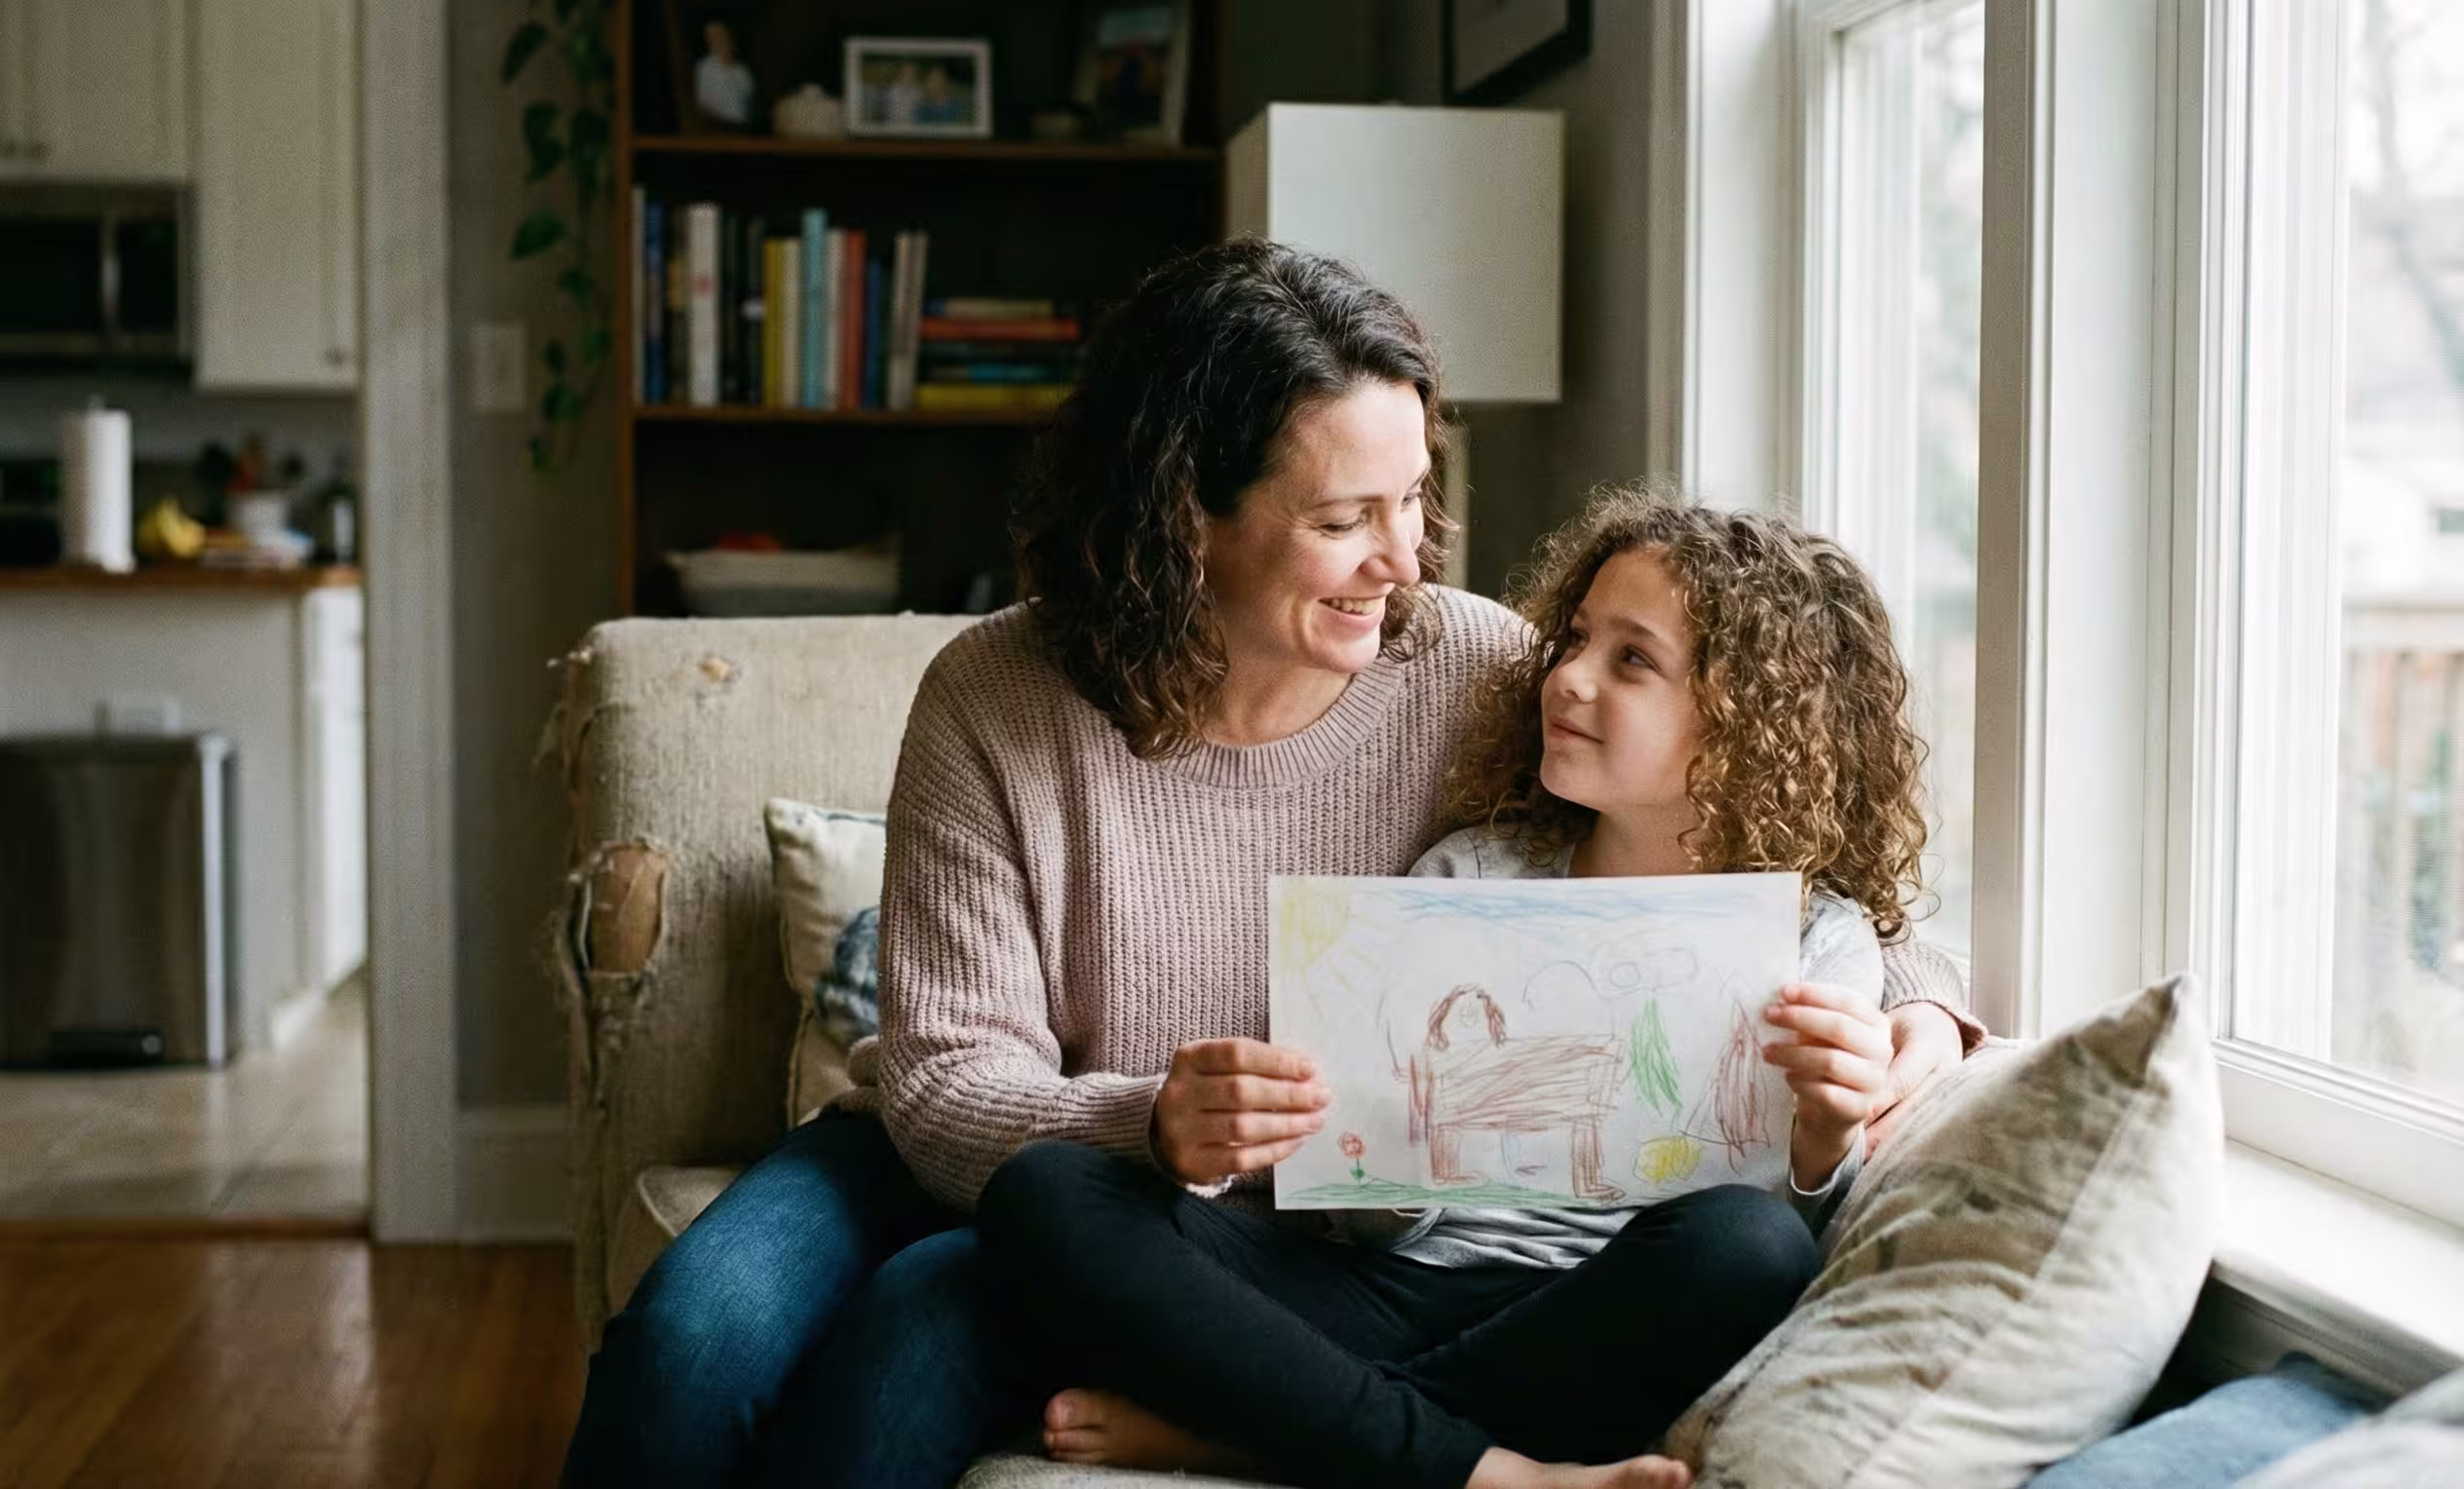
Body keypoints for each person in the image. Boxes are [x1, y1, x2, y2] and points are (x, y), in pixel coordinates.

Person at [558, 242, 1980, 1489]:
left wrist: (1917, 1016)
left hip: (1292, 1228)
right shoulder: (997, 698)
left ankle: (1331, 1441)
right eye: (1342, 520)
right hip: (1042, 1161)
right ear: (1189, 515)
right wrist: (1154, 1126)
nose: (1402, 561)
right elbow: (941, 1091)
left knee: (935, 1312)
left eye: (1415, 500)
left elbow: (1761, 826)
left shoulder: (1472, 663)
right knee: (694, 1337)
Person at [971, 485, 1947, 1487]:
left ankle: (1257, 1434)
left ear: (1749, 722)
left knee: (1747, 1247)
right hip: (1392, 1284)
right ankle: (1475, 1467)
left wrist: (1825, 1137)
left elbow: (1801, 1211)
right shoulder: (1473, 875)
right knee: (1046, 1191)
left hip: (1595, 1310)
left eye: (1630, 661)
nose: (1566, 678)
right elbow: (1352, 1218)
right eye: (1572, 640)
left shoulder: (1813, 934)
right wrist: (1387, 1147)